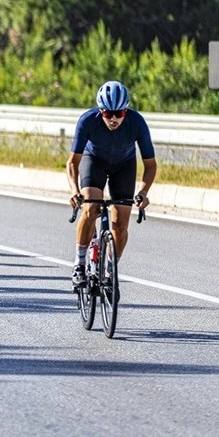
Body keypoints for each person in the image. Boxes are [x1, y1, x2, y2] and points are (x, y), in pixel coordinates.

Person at [67, 81, 157, 287]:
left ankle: (110, 269)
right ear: (101, 111)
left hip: (123, 165)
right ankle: (79, 263)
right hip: (94, 161)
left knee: (121, 223)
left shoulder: (137, 122)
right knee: (91, 208)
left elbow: (150, 165)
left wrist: (143, 192)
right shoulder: (87, 121)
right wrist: (75, 190)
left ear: (126, 111)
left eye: (120, 113)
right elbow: (73, 162)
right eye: (108, 114)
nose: (114, 119)